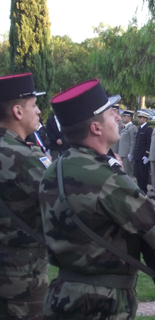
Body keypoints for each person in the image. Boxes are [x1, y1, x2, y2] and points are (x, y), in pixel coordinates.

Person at [39, 79, 155, 319]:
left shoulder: (52, 170)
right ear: (96, 128)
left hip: (61, 295)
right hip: (102, 304)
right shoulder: (109, 179)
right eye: (110, 113)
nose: (117, 117)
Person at [0, 72, 48, 319]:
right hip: (21, 276)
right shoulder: (26, 157)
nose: (38, 111)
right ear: (18, 112)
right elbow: (60, 202)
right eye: (34, 105)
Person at [133, 110, 153, 194]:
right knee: (138, 173)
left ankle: (143, 189)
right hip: (138, 155)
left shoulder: (148, 129)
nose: (138, 119)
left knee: (143, 174)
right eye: (138, 117)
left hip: (143, 155)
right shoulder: (140, 128)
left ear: (145, 119)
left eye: (140, 117)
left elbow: (149, 143)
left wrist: (146, 154)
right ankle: (139, 187)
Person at [117, 110, 137, 176]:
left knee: (127, 173)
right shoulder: (125, 127)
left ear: (129, 118)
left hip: (127, 154)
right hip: (121, 153)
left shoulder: (132, 128)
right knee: (122, 172)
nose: (122, 117)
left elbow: (133, 141)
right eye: (123, 116)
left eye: (124, 116)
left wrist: (131, 153)